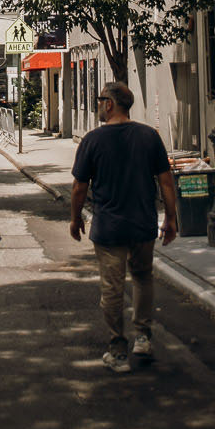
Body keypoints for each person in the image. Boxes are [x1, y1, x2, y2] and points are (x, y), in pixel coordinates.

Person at [69, 81, 179, 373]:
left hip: (109, 227)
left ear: (109, 104)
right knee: (143, 278)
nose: (98, 105)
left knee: (112, 288)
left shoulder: (92, 140)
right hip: (143, 222)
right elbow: (166, 181)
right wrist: (171, 218)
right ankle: (143, 336)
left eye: (100, 100)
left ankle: (118, 350)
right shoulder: (149, 136)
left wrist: (75, 218)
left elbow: (79, 187)